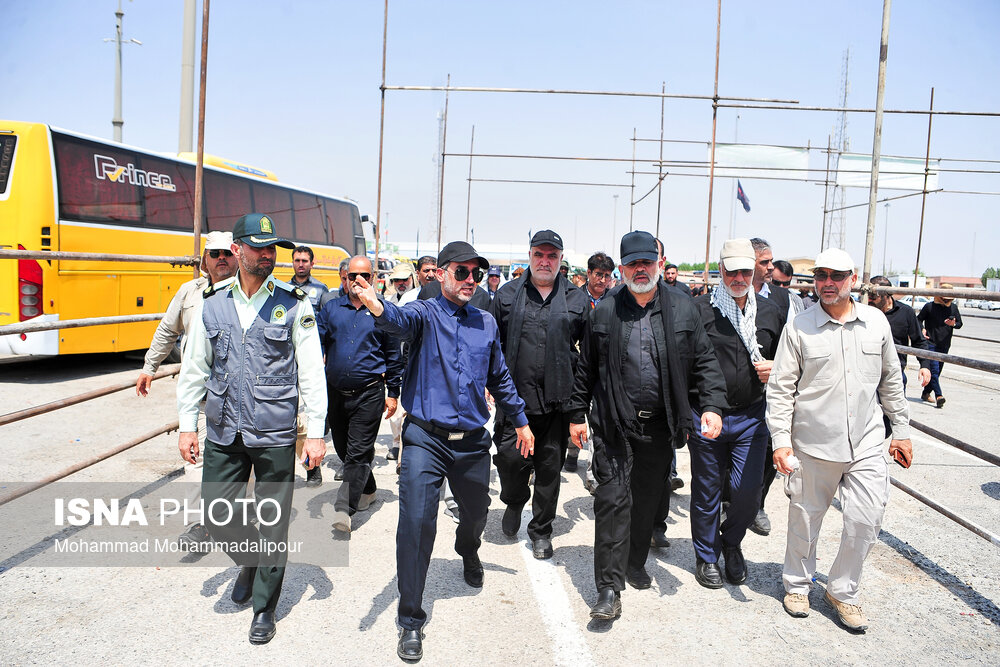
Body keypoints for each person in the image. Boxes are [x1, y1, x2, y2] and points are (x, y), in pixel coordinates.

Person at [353, 241, 534, 662]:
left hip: (471, 442)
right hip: (425, 439)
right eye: (462, 272)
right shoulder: (424, 313)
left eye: (476, 273)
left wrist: (521, 420)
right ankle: (410, 619)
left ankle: (468, 548)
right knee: (416, 522)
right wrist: (377, 306)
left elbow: (500, 376)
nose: (471, 280)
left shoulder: (485, 323)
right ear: (440, 274)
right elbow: (397, 320)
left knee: (476, 514)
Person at [176, 213, 328, 644]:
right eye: (258, 248)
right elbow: (195, 368)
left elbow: (311, 372)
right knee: (216, 512)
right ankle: (251, 559)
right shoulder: (212, 302)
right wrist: (187, 426)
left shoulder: (294, 303)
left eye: (271, 248)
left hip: (274, 429)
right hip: (225, 427)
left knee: (273, 521)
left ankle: (265, 607)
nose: (267, 255)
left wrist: (315, 432)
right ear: (237, 250)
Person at [567, 231, 726, 619]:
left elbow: (705, 361)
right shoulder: (604, 311)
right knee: (611, 501)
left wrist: (712, 406)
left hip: (660, 426)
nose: (641, 269)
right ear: (622, 269)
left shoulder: (683, 309)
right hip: (613, 425)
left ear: (659, 264)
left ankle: (634, 561)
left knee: (646, 501)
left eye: (647, 262)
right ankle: (608, 589)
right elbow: (586, 367)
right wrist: (576, 414)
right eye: (633, 264)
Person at [768, 248, 912, 632]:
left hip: (866, 442)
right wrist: (781, 440)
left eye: (837, 275)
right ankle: (797, 585)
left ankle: (842, 591)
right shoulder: (799, 327)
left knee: (867, 518)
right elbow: (781, 389)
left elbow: (891, 381)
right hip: (813, 443)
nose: (828, 283)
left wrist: (901, 431)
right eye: (821, 275)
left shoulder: (875, 322)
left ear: (853, 278)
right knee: (805, 518)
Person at [687, 239, 784, 588]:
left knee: (747, 490)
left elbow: (789, 360)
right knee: (707, 489)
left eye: (745, 270)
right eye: (732, 272)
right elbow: (685, 363)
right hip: (706, 414)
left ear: (754, 270)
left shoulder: (771, 312)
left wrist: (776, 367)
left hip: (751, 416)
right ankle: (706, 555)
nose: (739, 278)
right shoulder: (698, 310)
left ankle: (731, 542)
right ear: (720, 271)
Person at [490, 230, 588, 559]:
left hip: (556, 404)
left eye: (552, 256)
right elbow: (491, 347)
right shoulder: (506, 296)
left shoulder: (576, 299)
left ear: (560, 259)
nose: (545, 261)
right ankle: (515, 500)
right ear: (530, 255)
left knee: (549, 471)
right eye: (539, 255)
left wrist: (578, 411)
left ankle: (541, 530)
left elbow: (586, 357)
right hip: (515, 403)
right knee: (510, 461)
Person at [136, 231, 236, 548]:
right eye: (215, 254)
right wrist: (150, 367)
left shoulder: (249, 293)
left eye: (227, 253)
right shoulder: (189, 292)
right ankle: (198, 525)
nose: (221, 259)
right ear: (205, 260)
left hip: (240, 398)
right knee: (195, 458)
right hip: (201, 395)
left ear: (237, 256)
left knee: (239, 460)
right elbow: (167, 330)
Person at [317, 255, 403, 532]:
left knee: (358, 452)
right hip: (335, 393)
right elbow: (316, 342)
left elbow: (393, 355)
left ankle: (344, 509)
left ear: (373, 278)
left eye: (364, 275)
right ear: (345, 277)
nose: (357, 280)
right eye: (352, 275)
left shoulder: (384, 311)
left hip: (369, 393)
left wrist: (393, 392)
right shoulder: (331, 309)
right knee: (344, 449)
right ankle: (368, 487)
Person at [747, 237, 797, 536]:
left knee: (768, 447)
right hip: (732, 390)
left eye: (770, 261)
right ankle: (729, 501)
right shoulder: (727, 295)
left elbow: (793, 347)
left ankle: (757, 504)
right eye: (764, 262)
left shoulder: (783, 300)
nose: (770, 267)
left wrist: (776, 367)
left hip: (770, 389)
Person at [565, 251, 616, 477]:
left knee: (599, 421)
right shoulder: (574, 298)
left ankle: (593, 472)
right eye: (598, 274)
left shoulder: (615, 301)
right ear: (588, 273)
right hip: (577, 368)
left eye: (607, 276)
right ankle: (572, 451)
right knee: (575, 413)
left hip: (604, 370)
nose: (602, 280)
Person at [870, 276, 932, 395]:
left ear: (887, 295)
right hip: (868, 371)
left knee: (895, 405)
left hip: (895, 371)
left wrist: (924, 365)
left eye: (873, 297)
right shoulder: (865, 311)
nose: (869, 300)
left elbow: (918, 340)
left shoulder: (906, 312)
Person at [385, 262, 416, 462]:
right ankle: (396, 443)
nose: (401, 283)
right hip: (394, 360)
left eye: (405, 279)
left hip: (412, 358)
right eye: (397, 280)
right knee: (394, 409)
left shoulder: (418, 299)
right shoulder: (388, 302)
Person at [917, 284, 962, 408]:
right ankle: (939, 396)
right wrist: (922, 329)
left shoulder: (953, 308)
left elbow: (959, 324)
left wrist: (953, 324)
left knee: (937, 371)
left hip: (945, 343)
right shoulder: (929, 306)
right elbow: (918, 319)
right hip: (930, 343)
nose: (946, 301)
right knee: (935, 371)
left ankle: (926, 393)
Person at [290, 245, 329, 310]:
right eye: (297, 260)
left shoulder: (321, 289)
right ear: (293, 263)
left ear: (311, 264)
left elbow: (326, 314)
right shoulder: (285, 288)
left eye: (304, 261)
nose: (300, 265)